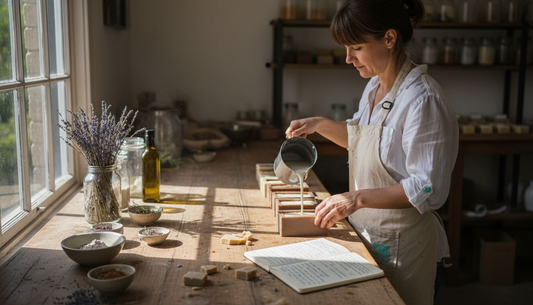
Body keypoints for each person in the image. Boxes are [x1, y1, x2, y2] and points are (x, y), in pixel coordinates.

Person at [285, 0, 458, 304]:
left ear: (389, 39)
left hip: (406, 245)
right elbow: (363, 140)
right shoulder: (375, 87)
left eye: (357, 48)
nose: (349, 58)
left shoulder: (423, 100)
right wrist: (320, 124)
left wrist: (356, 198)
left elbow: (429, 189)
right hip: (368, 234)